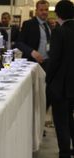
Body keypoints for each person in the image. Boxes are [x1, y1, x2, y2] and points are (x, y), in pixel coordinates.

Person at [46, 1, 74, 158]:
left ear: (58, 14)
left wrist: (48, 78)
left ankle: (64, 153)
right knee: (69, 117)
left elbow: (54, 59)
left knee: (61, 121)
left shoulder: (59, 31)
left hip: (60, 84)